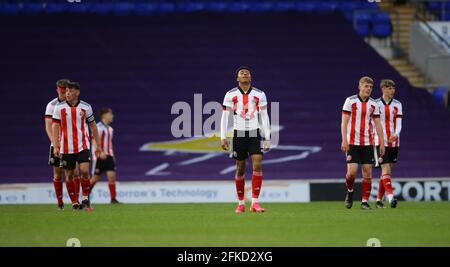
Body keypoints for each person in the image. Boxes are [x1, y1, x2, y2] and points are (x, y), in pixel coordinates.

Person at [220, 66, 271, 213]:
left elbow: (264, 116)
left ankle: (255, 203)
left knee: (257, 164)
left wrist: (267, 137)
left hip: (254, 133)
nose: (244, 74)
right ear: (237, 78)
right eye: (241, 73)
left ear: (250, 77)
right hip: (239, 134)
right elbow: (225, 117)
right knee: (240, 168)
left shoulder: (259, 94)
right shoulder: (230, 94)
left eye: (247, 73)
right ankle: (241, 203)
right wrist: (223, 137)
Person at [52, 82, 102, 211]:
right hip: (66, 147)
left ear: (77, 93)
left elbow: (93, 126)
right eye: (66, 91)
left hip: (82, 145)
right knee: (69, 175)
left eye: (70, 91)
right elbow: (55, 126)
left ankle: (85, 196)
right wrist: (56, 146)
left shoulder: (86, 107)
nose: (67, 93)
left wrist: (98, 145)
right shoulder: (59, 107)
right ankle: (74, 202)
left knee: (84, 171)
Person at [341, 76, 385, 210]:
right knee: (352, 172)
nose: (369, 89)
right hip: (353, 142)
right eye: (366, 86)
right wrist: (344, 139)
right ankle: (350, 191)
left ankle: (364, 202)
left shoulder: (374, 104)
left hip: (367, 142)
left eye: (371, 87)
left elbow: (378, 124)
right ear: (359, 86)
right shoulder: (350, 101)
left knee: (367, 172)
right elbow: (344, 122)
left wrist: (382, 143)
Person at [374, 79, 402, 208]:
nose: (392, 91)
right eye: (390, 88)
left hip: (394, 141)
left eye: (393, 88)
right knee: (385, 168)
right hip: (380, 142)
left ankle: (379, 199)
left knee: (387, 171)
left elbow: (399, 123)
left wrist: (396, 134)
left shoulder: (398, 104)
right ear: (383, 89)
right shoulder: (375, 104)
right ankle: (391, 198)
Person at [45, 79, 69, 210]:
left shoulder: (72, 105)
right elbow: (48, 127)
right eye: (61, 89)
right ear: (57, 90)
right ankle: (60, 203)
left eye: (65, 88)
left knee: (73, 173)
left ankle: (76, 202)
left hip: (71, 144)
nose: (63, 91)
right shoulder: (51, 105)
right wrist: (55, 144)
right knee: (58, 174)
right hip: (57, 144)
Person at [90, 107, 121, 204]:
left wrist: (113, 155)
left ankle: (113, 199)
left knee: (112, 177)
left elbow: (109, 143)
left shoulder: (110, 129)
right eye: (110, 114)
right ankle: (85, 195)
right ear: (104, 115)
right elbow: (93, 140)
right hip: (99, 156)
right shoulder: (98, 127)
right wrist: (100, 152)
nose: (112, 116)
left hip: (109, 156)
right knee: (95, 179)